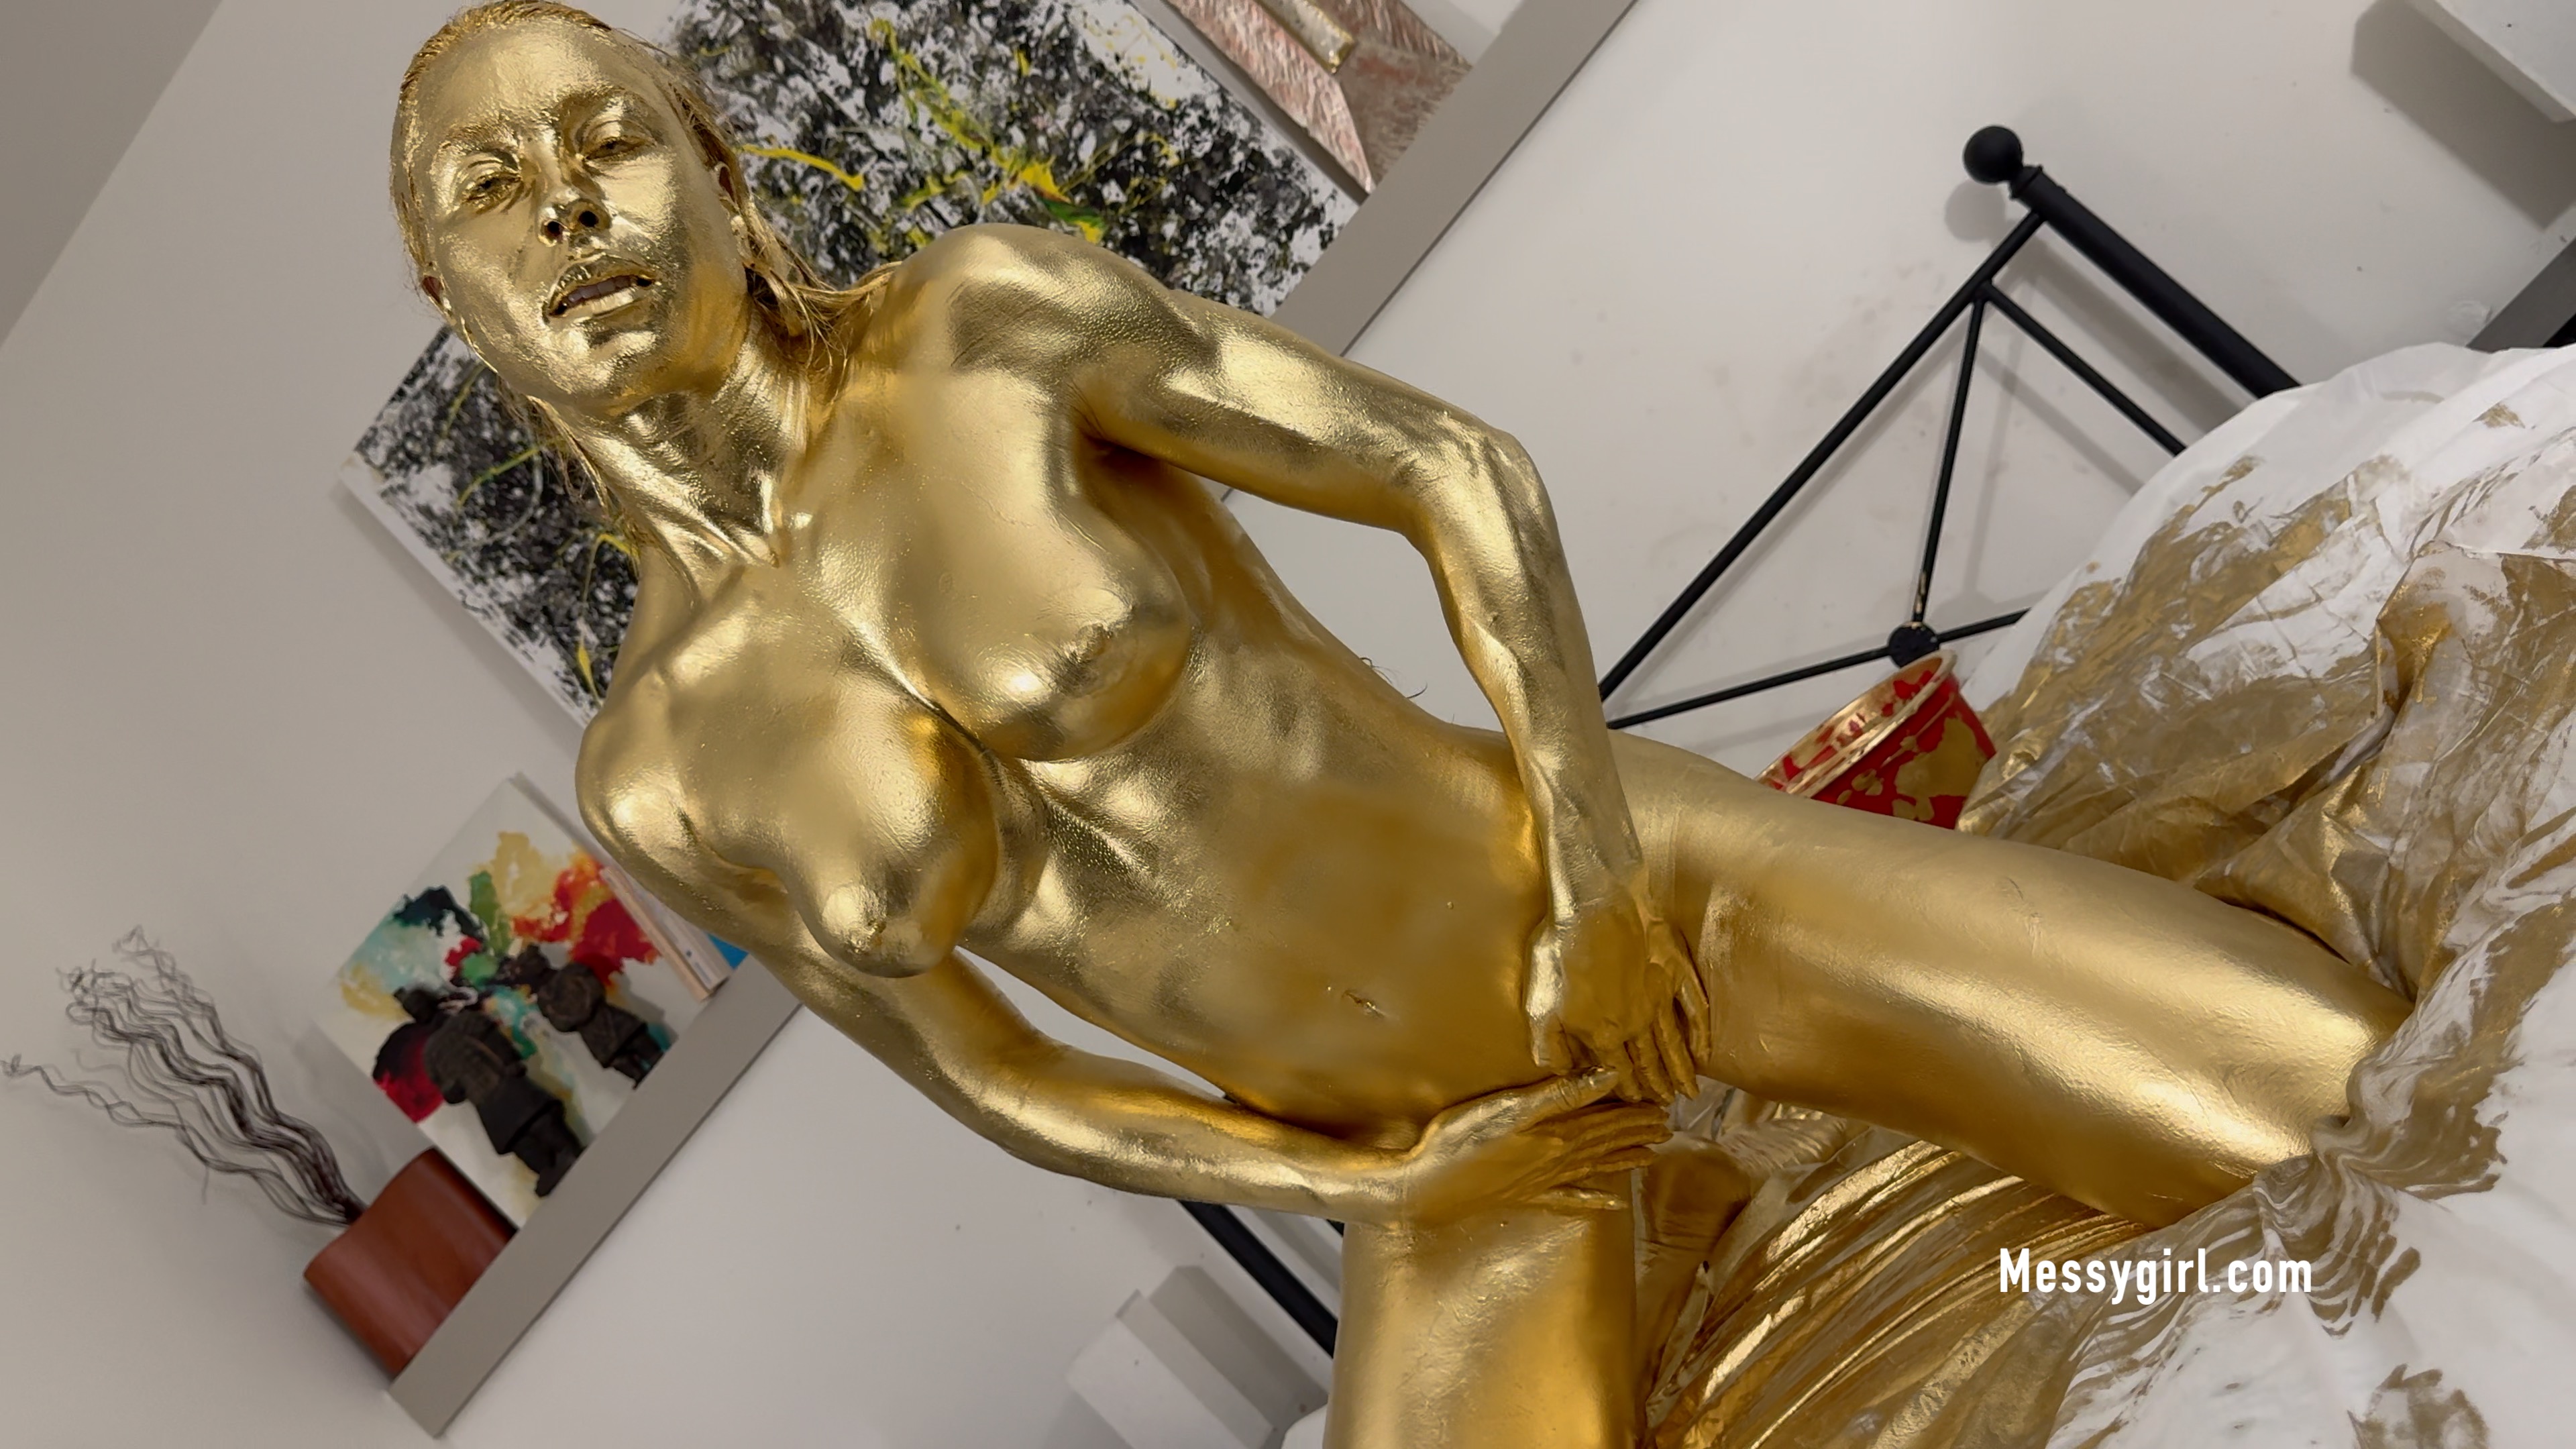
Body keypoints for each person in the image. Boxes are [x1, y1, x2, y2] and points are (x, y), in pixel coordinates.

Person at [386, 7, 2406, 1442]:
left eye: (603, 142)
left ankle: (2016, 1275)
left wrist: (1598, 891)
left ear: (716, 168)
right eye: (491, 189)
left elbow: (1452, 472)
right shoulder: (653, 771)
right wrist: (1375, 1195)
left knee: (2349, 1141)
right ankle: (1673, 1208)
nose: (563, 209)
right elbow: (991, 1074)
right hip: (1447, 1172)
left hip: (1649, 919)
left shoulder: (980, 325)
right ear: (451, 290)